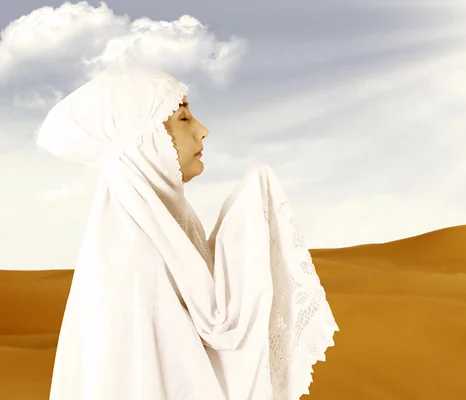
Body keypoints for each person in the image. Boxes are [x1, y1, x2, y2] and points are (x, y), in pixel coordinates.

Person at [36, 68, 338, 400]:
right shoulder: (134, 267)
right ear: (146, 144)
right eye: (182, 118)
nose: (202, 130)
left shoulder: (164, 237)